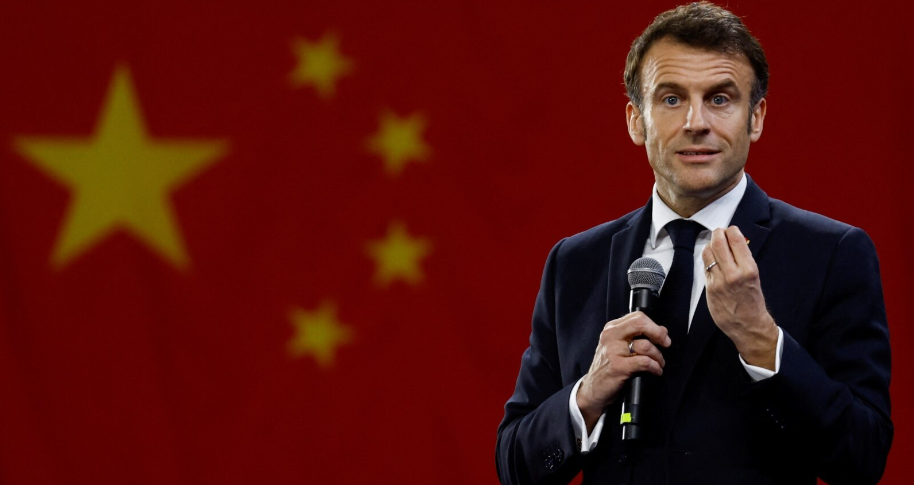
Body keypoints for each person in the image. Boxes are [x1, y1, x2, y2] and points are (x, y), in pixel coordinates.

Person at [495, 3, 892, 484]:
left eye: (720, 98)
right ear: (636, 121)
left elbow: (862, 458)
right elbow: (515, 465)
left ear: (756, 118)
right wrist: (587, 394)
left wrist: (762, 341)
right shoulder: (576, 262)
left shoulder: (830, 253)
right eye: (671, 99)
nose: (695, 122)